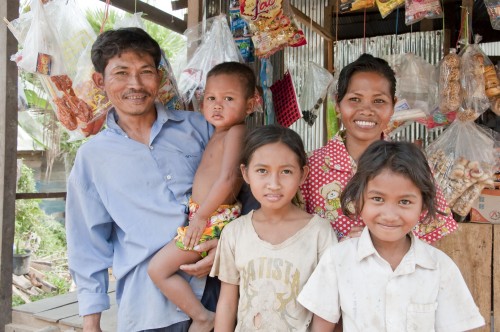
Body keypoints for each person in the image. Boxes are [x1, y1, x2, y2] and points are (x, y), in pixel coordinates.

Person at [66, 28, 218, 332]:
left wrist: (224, 245)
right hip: (151, 307)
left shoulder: (200, 128)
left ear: (159, 77)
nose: (135, 84)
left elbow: (242, 187)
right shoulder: (92, 158)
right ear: (100, 81)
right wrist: (91, 324)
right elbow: (87, 243)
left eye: (145, 72)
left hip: (220, 284)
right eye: (121, 73)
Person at [297, 140, 485, 331]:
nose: (389, 215)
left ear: (424, 205)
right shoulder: (337, 260)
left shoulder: (440, 268)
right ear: (357, 198)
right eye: (377, 199)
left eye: (404, 201)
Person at [300, 53, 457, 243]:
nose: (366, 110)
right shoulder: (309, 168)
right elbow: (295, 239)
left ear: (393, 106)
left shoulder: (413, 165)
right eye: (355, 99)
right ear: (337, 105)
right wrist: (339, 249)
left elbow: (434, 233)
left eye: (379, 101)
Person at [147, 61, 256, 332]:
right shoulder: (215, 133)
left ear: (250, 105)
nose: (217, 105)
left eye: (228, 99)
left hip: (212, 218)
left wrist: (201, 217)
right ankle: (204, 319)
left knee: (158, 270)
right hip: (205, 215)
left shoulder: (237, 132)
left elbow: (230, 178)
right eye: (211, 98)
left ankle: (201, 316)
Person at [210, 125, 337, 331]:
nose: (274, 183)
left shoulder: (319, 233)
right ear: (246, 173)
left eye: (286, 171)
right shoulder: (235, 232)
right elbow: (227, 302)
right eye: (262, 171)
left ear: (303, 175)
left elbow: (326, 305)